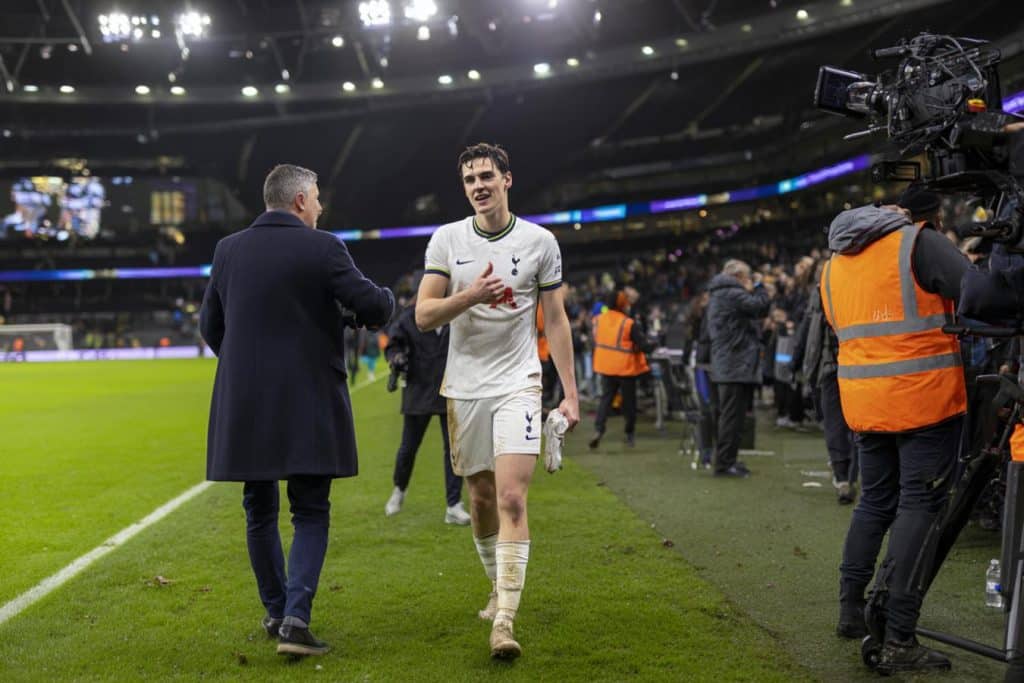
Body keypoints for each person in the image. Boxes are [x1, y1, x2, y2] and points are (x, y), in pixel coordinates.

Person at [199, 164, 395, 657]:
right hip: (308, 399)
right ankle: (296, 620)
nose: (322, 207)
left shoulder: (227, 250)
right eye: (319, 198)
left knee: (258, 508)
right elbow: (374, 307)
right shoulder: (324, 246)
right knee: (310, 509)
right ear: (303, 199)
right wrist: (382, 299)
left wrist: (247, 369)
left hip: (244, 402)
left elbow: (210, 326)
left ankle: (275, 610)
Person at [415, 142, 579, 660]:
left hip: (518, 384)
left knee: (511, 498)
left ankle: (504, 621)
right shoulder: (447, 240)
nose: (478, 186)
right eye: (469, 180)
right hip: (464, 388)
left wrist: (571, 394)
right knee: (481, 500)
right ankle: (496, 587)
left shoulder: (540, 242)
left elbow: (555, 319)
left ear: (507, 179)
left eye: (487, 175)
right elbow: (424, 315)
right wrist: (471, 296)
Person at [823, 186, 969, 675]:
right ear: (925, 216)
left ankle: (849, 609)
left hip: (865, 400)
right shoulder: (918, 242)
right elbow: (980, 293)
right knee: (918, 506)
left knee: (875, 502)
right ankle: (900, 636)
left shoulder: (836, 260)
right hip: (922, 398)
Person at [382, 301, 471, 525]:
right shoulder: (411, 315)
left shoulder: (457, 309)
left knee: (453, 448)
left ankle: (454, 504)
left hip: (450, 386)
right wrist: (396, 358)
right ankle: (399, 489)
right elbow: (393, 344)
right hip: (418, 388)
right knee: (408, 448)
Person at [706, 259, 771, 477]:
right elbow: (760, 307)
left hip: (732, 364)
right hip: (733, 364)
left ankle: (728, 460)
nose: (749, 280)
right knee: (731, 418)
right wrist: (760, 287)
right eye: (747, 276)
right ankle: (724, 464)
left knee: (734, 418)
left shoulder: (722, 294)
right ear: (738, 277)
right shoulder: (730, 294)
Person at [588, 286, 651, 449]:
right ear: (622, 304)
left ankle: (598, 430)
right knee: (629, 402)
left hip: (605, 366)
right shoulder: (628, 323)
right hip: (625, 368)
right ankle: (629, 434)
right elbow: (643, 345)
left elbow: (594, 340)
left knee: (605, 400)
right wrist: (653, 345)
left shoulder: (599, 319)